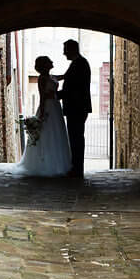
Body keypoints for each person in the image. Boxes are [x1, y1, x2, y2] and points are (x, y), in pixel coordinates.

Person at [14, 56, 71, 177]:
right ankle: (45, 163)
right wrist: (42, 114)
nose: (52, 62)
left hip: (56, 106)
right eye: (50, 61)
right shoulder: (42, 78)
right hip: (49, 107)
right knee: (47, 133)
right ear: (45, 65)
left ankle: (56, 163)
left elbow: (64, 76)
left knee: (56, 133)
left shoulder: (51, 76)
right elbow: (42, 96)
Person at [56, 39, 91, 178]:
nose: (64, 53)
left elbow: (74, 88)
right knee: (75, 138)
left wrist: (55, 95)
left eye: (65, 50)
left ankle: (77, 170)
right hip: (76, 108)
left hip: (77, 108)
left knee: (76, 139)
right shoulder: (78, 63)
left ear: (72, 49)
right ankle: (76, 169)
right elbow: (69, 81)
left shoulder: (80, 64)